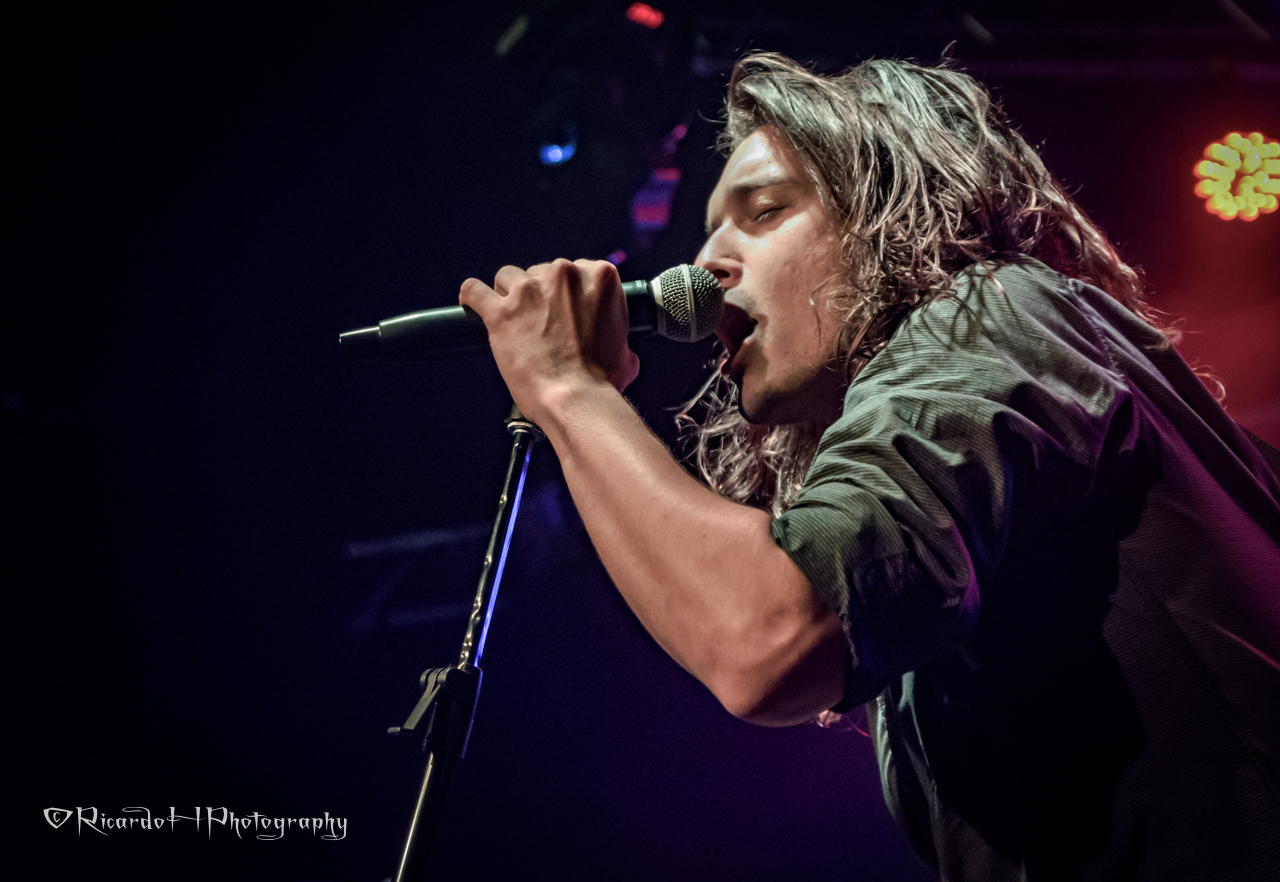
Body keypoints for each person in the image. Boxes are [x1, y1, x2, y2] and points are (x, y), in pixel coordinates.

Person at [460, 53, 1280, 881]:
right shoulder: (959, 479)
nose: (703, 263)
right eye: (709, 228)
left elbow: (766, 638)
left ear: (891, 209)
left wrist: (568, 388)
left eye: (766, 210)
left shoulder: (992, 313)